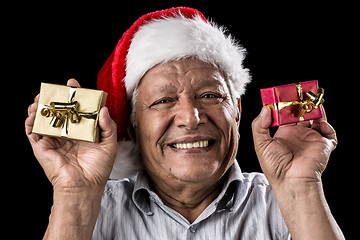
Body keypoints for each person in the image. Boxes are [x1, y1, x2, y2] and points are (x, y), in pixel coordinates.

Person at [25, 7, 344, 240]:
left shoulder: (284, 201)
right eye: (163, 101)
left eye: (210, 95)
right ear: (134, 127)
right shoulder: (92, 206)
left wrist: (302, 188)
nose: (191, 117)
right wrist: (74, 193)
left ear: (237, 111)